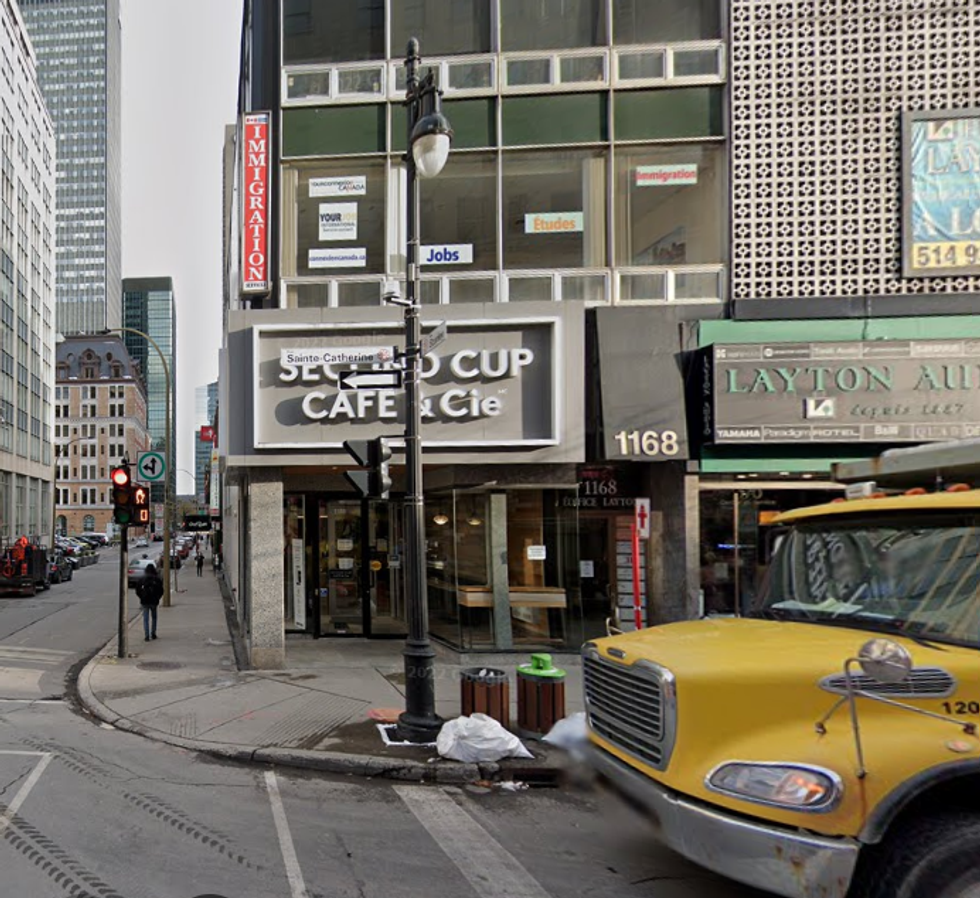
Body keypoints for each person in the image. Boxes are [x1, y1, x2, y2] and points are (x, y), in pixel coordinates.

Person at [136, 564, 163, 641]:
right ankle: (153, 633)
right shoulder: (157, 579)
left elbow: (137, 590)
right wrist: (158, 597)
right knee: (154, 617)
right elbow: (161, 590)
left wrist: (141, 597)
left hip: (145, 601)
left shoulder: (142, 579)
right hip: (154, 601)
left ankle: (147, 635)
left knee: (145, 619)